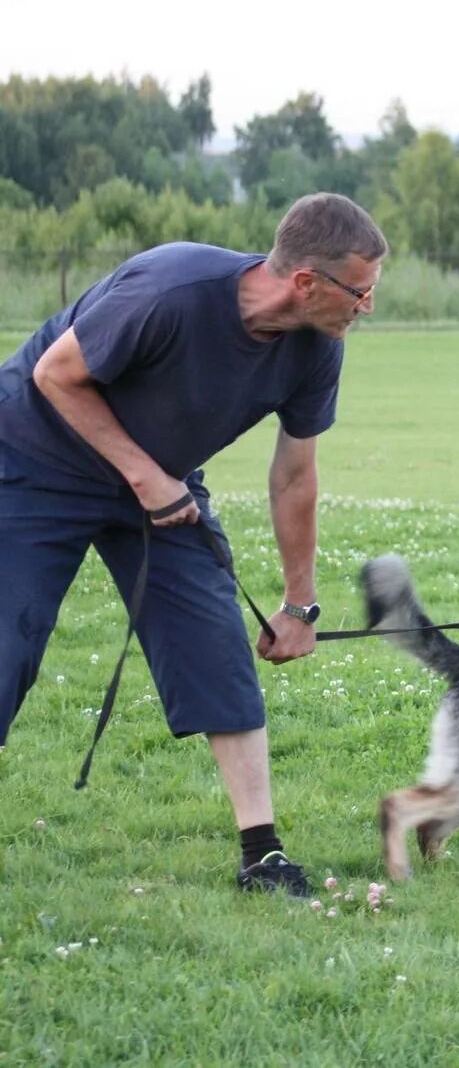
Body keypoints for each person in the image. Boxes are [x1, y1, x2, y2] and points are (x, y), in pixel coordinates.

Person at [0, 192, 387, 895]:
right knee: (7, 644)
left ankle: (261, 855)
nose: (366, 307)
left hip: (163, 484)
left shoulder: (315, 348)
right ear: (306, 282)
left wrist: (301, 604)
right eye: (359, 292)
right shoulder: (171, 289)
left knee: (213, 640)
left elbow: (294, 473)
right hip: (34, 463)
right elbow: (54, 374)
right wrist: (145, 474)